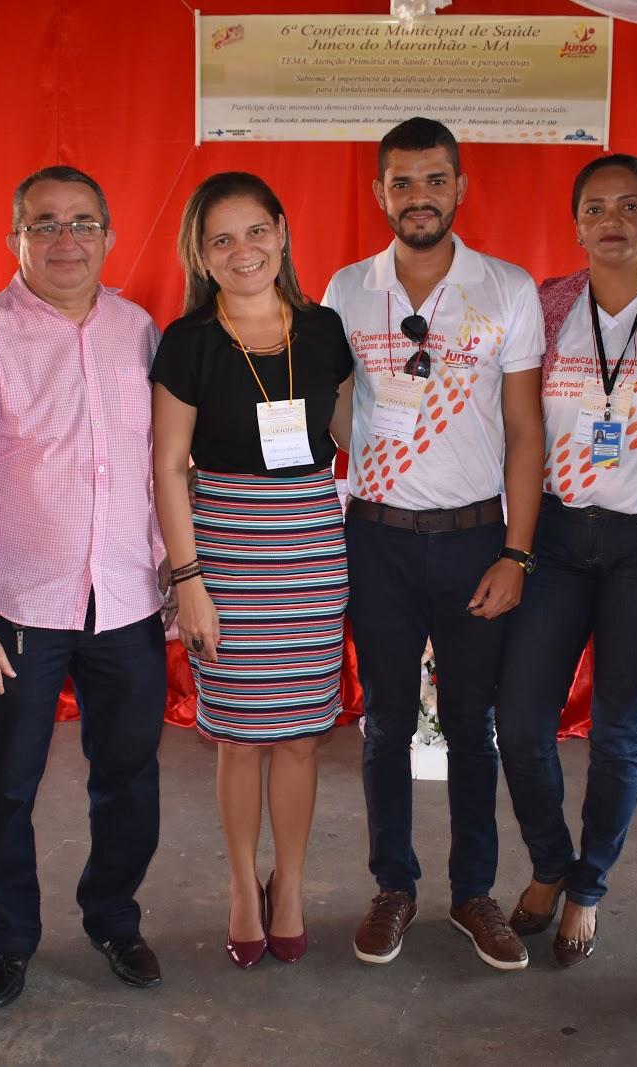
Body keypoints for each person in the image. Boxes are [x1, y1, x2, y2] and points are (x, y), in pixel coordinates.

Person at [0, 166, 170, 1008]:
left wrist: (177, 569)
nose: (67, 240)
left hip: (128, 601)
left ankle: (113, 917)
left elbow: (161, 466)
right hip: (17, 610)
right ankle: (11, 938)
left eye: (83, 223)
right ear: (15, 239)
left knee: (131, 776)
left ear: (108, 232)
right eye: (45, 224)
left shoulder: (139, 332)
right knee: (6, 783)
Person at [323, 117, 546, 970]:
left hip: (474, 540)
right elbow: (335, 410)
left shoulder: (507, 289)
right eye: (403, 183)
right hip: (374, 537)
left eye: (435, 180)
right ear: (380, 193)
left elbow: (526, 431)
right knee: (382, 721)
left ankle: (473, 891)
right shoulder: (347, 290)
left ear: (461, 187)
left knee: (470, 721)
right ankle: (394, 885)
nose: (420, 197)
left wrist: (517, 553)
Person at [495, 155, 637, 967]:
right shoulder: (550, 303)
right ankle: (550, 861)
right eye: (595, 207)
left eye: (631, 205)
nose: (612, 219)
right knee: (520, 720)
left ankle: (587, 886)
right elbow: (514, 424)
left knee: (620, 733)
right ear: (576, 224)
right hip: (556, 538)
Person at [150, 172, 354, 968]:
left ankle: (292, 885)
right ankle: (242, 885)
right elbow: (168, 469)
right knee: (238, 737)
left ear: (282, 231)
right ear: (201, 254)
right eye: (222, 239)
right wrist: (187, 579)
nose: (244, 251)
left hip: (309, 543)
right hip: (225, 548)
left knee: (301, 736)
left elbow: (355, 437)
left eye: (256, 231)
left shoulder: (326, 329)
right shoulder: (189, 341)